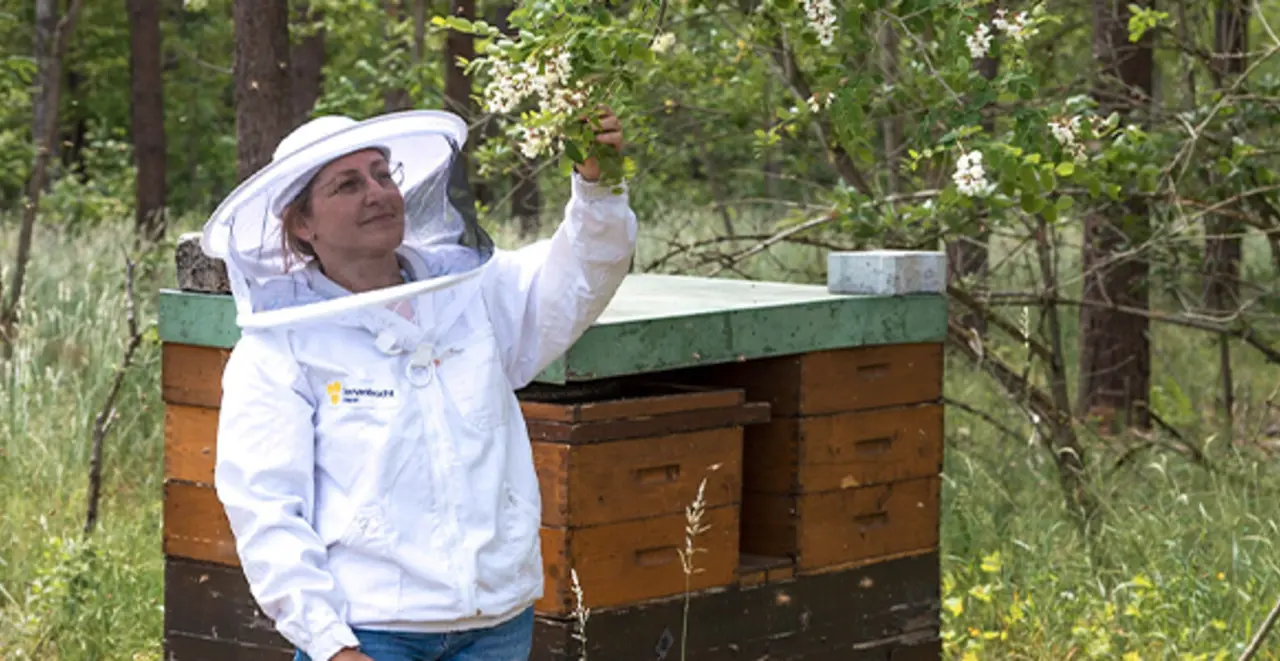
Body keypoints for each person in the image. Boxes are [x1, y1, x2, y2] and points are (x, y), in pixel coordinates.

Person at [201, 107, 636, 661]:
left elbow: (581, 277)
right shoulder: (280, 346)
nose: (378, 193)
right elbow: (265, 505)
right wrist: (329, 643)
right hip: (369, 632)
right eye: (348, 185)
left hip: (497, 622)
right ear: (302, 224)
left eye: (383, 174)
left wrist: (597, 186)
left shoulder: (471, 291)